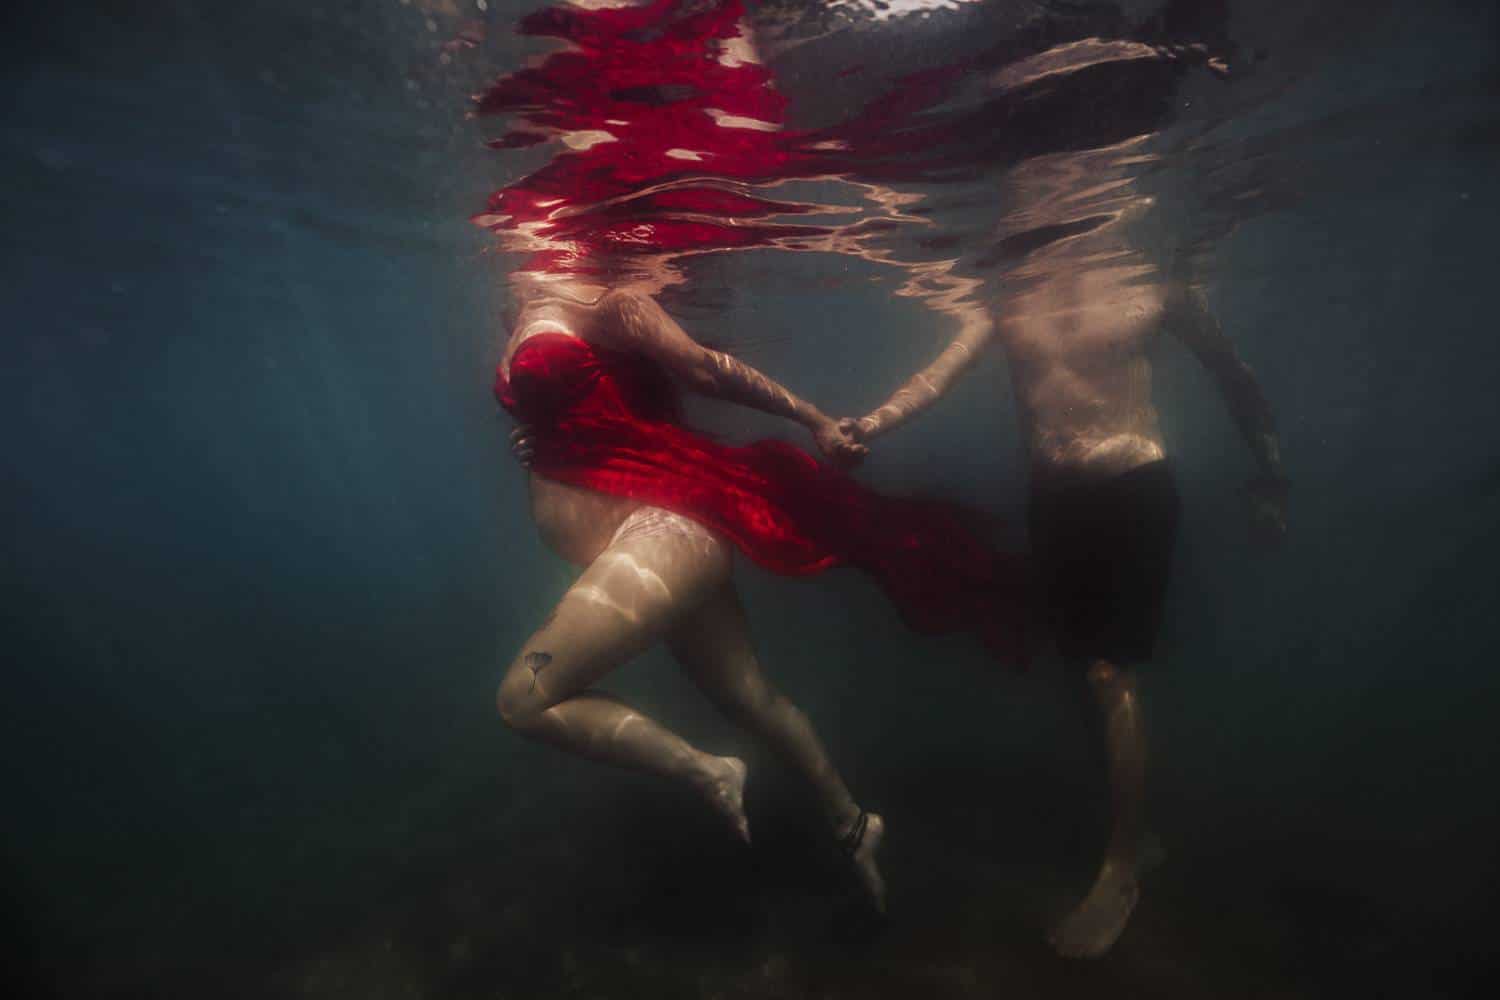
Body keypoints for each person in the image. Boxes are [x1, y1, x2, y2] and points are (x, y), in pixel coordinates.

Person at [495, 272, 1024, 913]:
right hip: (643, 535)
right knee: (750, 695)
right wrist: (537, 431)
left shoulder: (609, 299)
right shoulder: (530, 296)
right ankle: (853, 824)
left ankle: (707, 769)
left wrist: (815, 419)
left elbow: (703, 370)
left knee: (525, 700)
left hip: (659, 529)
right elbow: (594, 405)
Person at [844, 212, 1288, 955]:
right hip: (1052, 502)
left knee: (1111, 668)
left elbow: (1232, 374)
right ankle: (1136, 831)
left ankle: (1121, 868)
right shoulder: (1008, 296)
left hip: (1135, 484)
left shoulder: (1155, 284)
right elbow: (938, 374)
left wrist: (1271, 472)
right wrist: (873, 423)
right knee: (1079, 666)